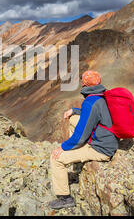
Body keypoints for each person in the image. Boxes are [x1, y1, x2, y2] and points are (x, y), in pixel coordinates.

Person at [48, 70, 119, 210]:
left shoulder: (90, 102)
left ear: (84, 84)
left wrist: (63, 147)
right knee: (74, 119)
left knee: (56, 159)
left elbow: (80, 136)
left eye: (82, 80)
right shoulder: (102, 95)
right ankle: (77, 153)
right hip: (109, 139)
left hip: (101, 149)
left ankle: (65, 198)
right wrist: (74, 111)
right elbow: (94, 113)